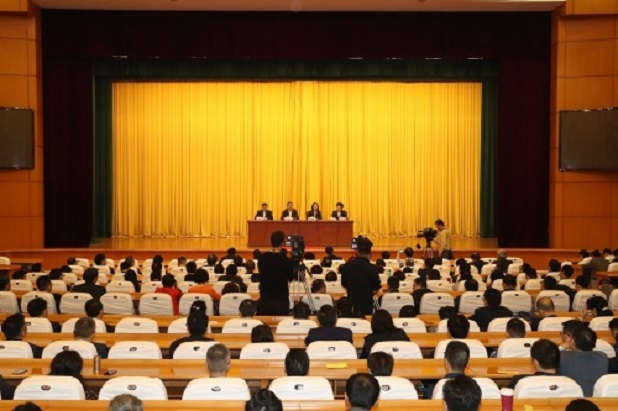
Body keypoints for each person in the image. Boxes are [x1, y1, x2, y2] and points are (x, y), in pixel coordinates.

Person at [559, 324, 608, 396]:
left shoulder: (562, 357)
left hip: (571, 397)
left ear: (573, 342)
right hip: (597, 397)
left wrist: (561, 347)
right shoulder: (602, 357)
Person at [341, 236, 381, 316]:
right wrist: (365, 293)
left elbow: (344, 284)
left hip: (351, 305)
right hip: (367, 305)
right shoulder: (373, 268)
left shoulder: (347, 266)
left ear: (357, 251)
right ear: (370, 253)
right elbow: (376, 289)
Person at [257, 231, 295, 315]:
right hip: (281, 300)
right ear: (282, 243)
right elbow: (291, 278)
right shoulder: (286, 261)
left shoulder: (262, 258)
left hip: (265, 299)